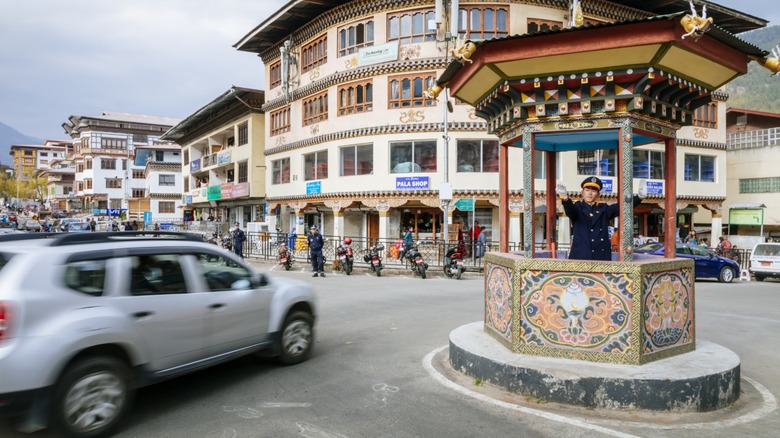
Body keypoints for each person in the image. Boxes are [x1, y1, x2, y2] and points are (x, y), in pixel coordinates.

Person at [557, 176, 646, 261]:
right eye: (587, 190)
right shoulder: (577, 207)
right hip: (580, 256)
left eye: (593, 191)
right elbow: (570, 210)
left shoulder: (603, 208)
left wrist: (638, 198)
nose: (590, 193)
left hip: (601, 257)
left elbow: (620, 207)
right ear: (582, 192)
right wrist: (565, 199)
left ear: (598, 194)